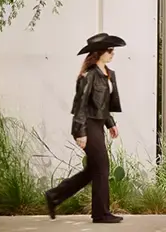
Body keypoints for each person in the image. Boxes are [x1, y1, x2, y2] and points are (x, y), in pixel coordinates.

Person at [44, 32, 127, 224]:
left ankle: (54, 196)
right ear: (99, 53)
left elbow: (103, 105)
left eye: (113, 50)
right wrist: (80, 132)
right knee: (102, 168)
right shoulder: (88, 76)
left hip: (98, 124)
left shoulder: (109, 75)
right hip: (87, 125)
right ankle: (101, 214)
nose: (112, 53)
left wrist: (110, 123)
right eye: (109, 50)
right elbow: (80, 105)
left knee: (93, 170)